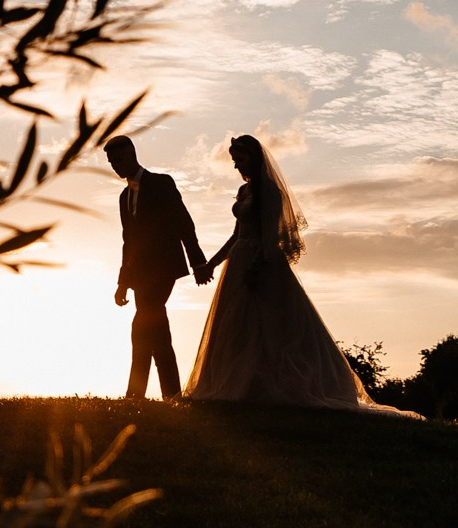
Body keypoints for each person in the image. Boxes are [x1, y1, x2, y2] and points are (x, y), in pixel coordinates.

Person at [185, 133, 415, 414]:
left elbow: (270, 236)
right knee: (236, 329)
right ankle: (237, 385)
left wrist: (257, 267)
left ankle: (273, 386)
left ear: (254, 158)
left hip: (263, 263)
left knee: (271, 328)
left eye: (240, 160)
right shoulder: (245, 192)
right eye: (234, 161)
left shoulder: (269, 191)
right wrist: (212, 263)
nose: (237, 166)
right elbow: (236, 236)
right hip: (239, 262)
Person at [106, 136, 207, 400]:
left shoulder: (162, 183)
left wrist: (198, 262)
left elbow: (184, 223)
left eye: (118, 160)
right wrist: (122, 282)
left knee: (142, 326)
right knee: (155, 331)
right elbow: (128, 242)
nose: (115, 166)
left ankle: (136, 394)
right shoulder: (123, 197)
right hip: (139, 275)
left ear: (131, 154)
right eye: (111, 162)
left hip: (164, 269)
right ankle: (171, 395)